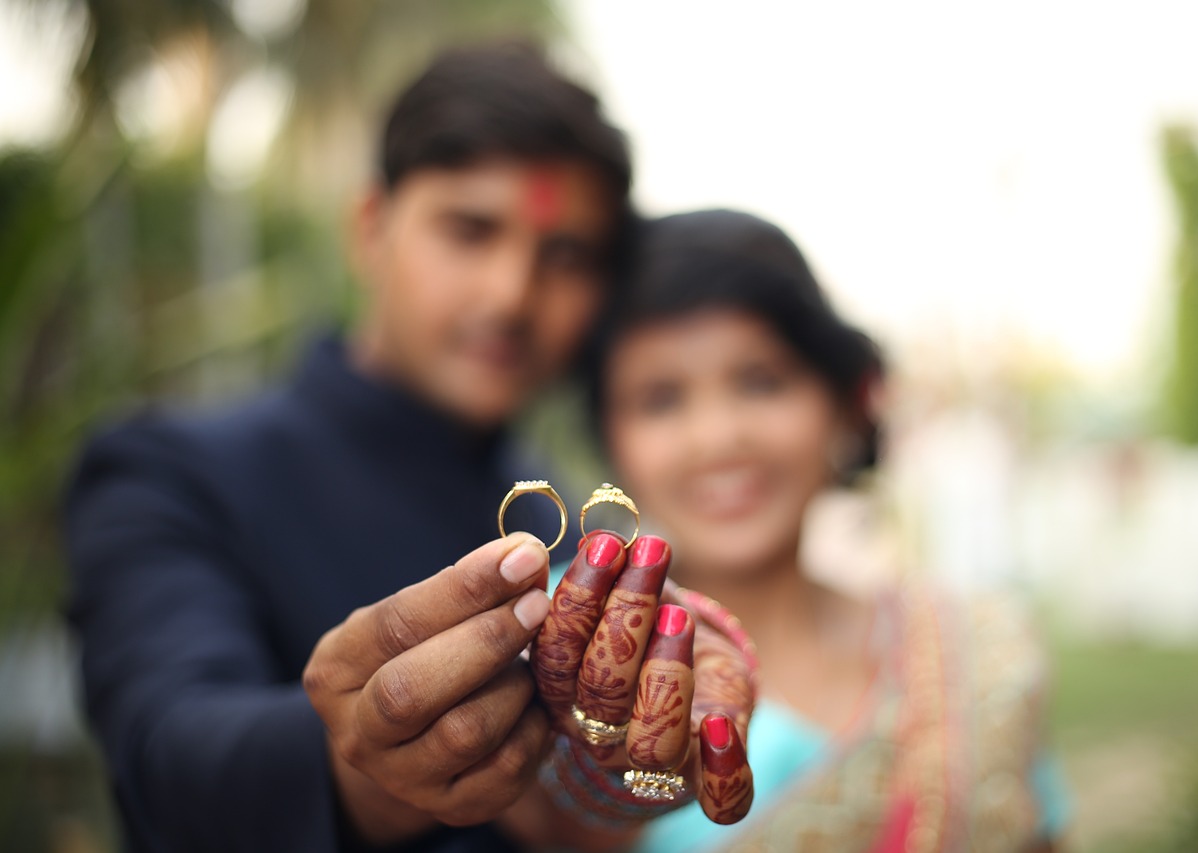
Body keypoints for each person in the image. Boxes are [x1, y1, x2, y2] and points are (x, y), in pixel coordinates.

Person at [63, 44, 752, 853]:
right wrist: (360, 766)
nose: (511, 294)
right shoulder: (170, 474)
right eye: (470, 230)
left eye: (565, 255)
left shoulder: (573, 530)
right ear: (371, 227)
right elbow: (167, 756)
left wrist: (617, 773)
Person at [581, 209, 1071, 852]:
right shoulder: (568, 653)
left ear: (841, 403)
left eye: (761, 382)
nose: (719, 438)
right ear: (611, 437)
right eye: (662, 399)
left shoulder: (973, 657)